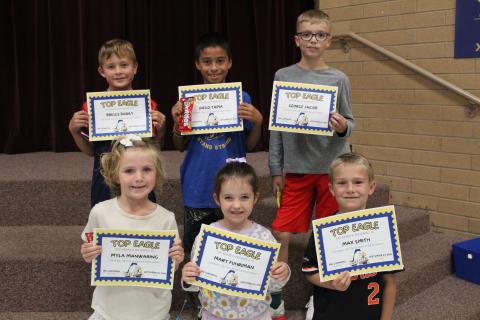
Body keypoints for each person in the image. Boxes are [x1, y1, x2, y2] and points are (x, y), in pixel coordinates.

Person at [269, 9, 354, 263]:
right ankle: (277, 293)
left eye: (319, 35)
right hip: (297, 169)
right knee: (280, 230)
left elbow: (350, 123)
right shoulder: (283, 76)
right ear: (297, 40)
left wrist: (341, 127)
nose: (313, 40)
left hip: (332, 169)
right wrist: (275, 169)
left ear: (329, 40)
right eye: (306, 34)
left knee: (329, 232)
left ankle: (324, 293)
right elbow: (276, 128)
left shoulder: (339, 79)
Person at [171, 32, 263, 255]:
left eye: (220, 61)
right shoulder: (188, 100)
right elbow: (178, 146)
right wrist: (176, 124)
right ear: (197, 65)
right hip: (198, 185)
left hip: (234, 185)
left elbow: (248, 146)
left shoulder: (243, 99)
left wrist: (258, 122)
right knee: (196, 248)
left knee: (230, 249)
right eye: (207, 61)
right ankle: (194, 291)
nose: (214, 67)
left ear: (229, 63)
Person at [80, 136, 184, 320]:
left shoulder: (166, 219)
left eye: (146, 169)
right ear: (114, 175)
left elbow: (169, 267)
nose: (139, 177)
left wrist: (176, 260)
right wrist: (88, 253)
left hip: (153, 313)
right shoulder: (100, 212)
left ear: (156, 173)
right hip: (109, 312)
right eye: (129, 170)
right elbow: (90, 251)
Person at [181, 162, 290, 320]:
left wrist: (282, 273)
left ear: (255, 198)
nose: (237, 205)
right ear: (217, 199)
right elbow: (196, 283)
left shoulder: (264, 238)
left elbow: (273, 286)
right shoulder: (207, 237)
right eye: (228, 198)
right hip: (214, 315)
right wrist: (188, 278)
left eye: (244, 197)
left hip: (256, 315)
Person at [68, 39, 166, 208]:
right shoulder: (91, 108)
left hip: (138, 176)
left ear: (135, 67)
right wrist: (74, 131)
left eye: (124, 65)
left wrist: (162, 128)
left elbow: (155, 147)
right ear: (102, 71)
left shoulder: (148, 105)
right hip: (104, 178)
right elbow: (91, 151)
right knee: (106, 224)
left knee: (142, 222)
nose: (118, 71)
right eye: (111, 67)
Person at [302, 153, 399, 320]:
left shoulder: (382, 229)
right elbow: (309, 271)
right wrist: (330, 283)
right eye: (341, 183)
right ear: (332, 189)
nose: (350, 189)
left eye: (358, 182)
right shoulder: (324, 229)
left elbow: (390, 282)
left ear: (371, 186)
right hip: (330, 313)